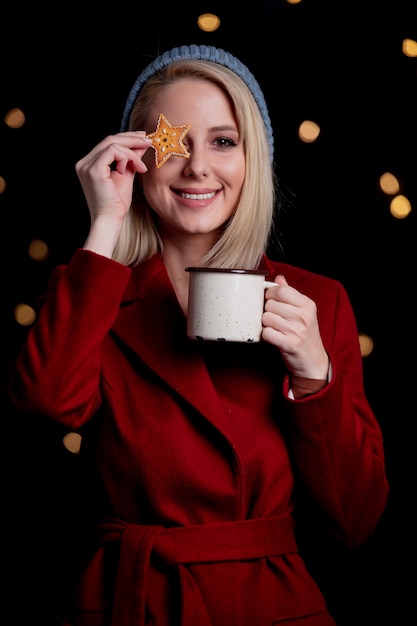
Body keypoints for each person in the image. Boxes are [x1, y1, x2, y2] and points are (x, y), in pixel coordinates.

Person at [4, 44, 389, 626]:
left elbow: (355, 521)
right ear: (137, 156)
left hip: (270, 606)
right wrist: (105, 223)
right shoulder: (92, 293)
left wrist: (314, 376)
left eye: (223, 141)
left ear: (252, 158)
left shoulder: (318, 302)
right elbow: (43, 406)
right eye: (174, 142)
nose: (197, 167)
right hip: (131, 602)